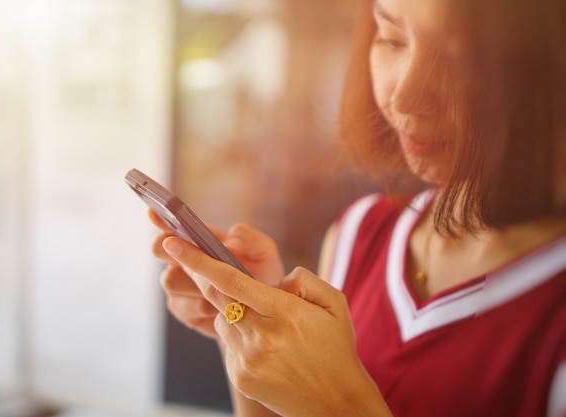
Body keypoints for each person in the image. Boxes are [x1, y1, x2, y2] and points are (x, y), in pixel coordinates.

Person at [149, 0, 566, 415]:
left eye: (459, 58)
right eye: (391, 40)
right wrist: (248, 333)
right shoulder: (362, 232)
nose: (405, 97)